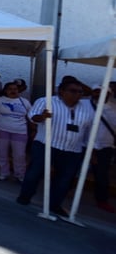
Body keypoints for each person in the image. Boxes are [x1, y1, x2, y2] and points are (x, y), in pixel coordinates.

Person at [17, 77, 96, 217]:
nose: (77, 94)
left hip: (73, 150)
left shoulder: (87, 108)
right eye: (73, 91)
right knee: (35, 172)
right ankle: (25, 196)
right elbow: (32, 117)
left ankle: (54, 204)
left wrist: (91, 150)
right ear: (61, 91)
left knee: (65, 179)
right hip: (46, 144)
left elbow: (89, 130)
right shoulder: (46, 101)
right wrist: (41, 117)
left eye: (80, 92)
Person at [0, 81, 32, 181]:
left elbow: (30, 116)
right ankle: (4, 172)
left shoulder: (25, 102)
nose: (13, 91)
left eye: (15, 89)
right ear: (6, 90)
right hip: (2, 130)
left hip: (20, 131)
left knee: (20, 155)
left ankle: (20, 174)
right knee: (2, 153)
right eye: (10, 89)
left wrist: (33, 130)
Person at [90, 84, 115, 213]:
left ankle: (102, 200)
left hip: (104, 147)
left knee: (101, 175)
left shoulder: (114, 109)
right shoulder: (84, 105)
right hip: (83, 145)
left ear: (109, 94)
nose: (98, 94)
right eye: (96, 91)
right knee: (70, 170)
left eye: (102, 92)